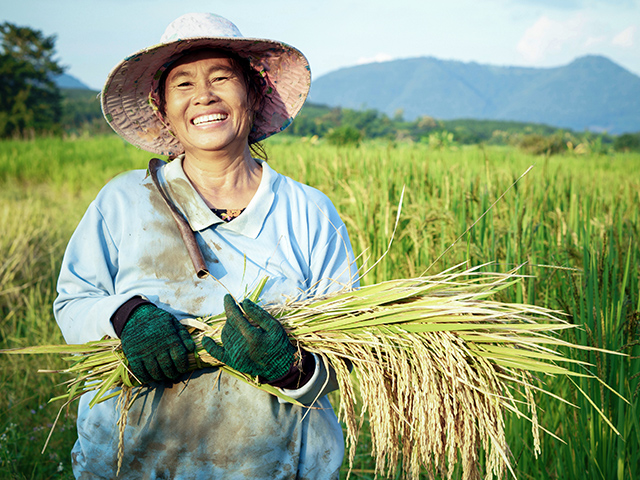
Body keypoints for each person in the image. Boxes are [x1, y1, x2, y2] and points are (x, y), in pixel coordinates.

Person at [53, 12, 359, 479]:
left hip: (276, 465)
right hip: (136, 461)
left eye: (222, 77)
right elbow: (73, 305)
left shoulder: (308, 211)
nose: (204, 96)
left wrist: (287, 367)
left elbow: (348, 350)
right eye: (183, 84)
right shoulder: (124, 201)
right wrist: (126, 317)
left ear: (253, 95)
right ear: (163, 107)